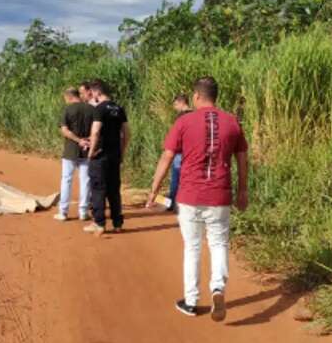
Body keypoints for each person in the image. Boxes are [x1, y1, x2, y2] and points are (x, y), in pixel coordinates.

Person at [145, 76, 249, 322]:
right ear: (216, 96)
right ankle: (217, 289)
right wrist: (243, 191)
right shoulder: (232, 122)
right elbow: (242, 159)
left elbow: (167, 157)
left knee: (192, 247)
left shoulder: (184, 121)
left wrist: (153, 190)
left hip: (190, 196)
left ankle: (191, 301)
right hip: (220, 194)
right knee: (219, 243)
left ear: (196, 96)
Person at [85, 79, 130, 236]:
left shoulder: (99, 109)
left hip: (100, 156)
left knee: (98, 189)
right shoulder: (119, 108)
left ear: (97, 92)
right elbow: (126, 133)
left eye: (92, 92)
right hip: (115, 155)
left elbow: (96, 132)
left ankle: (99, 223)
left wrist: (91, 152)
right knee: (113, 189)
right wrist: (122, 151)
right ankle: (117, 223)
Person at [54, 87, 95, 221]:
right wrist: (86, 140)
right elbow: (96, 130)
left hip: (71, 150)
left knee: (67, 179)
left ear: (69, 97)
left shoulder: (68, 110)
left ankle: (63, 212)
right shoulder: (91, 109)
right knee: (85, 180)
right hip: (87, 149)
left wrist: (78, 140)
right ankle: (83, 212)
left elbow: (65, 130)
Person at [166, 94, 192, 212]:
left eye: (175, 104)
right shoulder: (195, 114)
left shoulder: (181, 117)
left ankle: (172, 203)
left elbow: (177, 136)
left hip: (180, 152)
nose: (175, 107)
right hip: (192, 152)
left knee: (176, 179)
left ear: (182, 102)